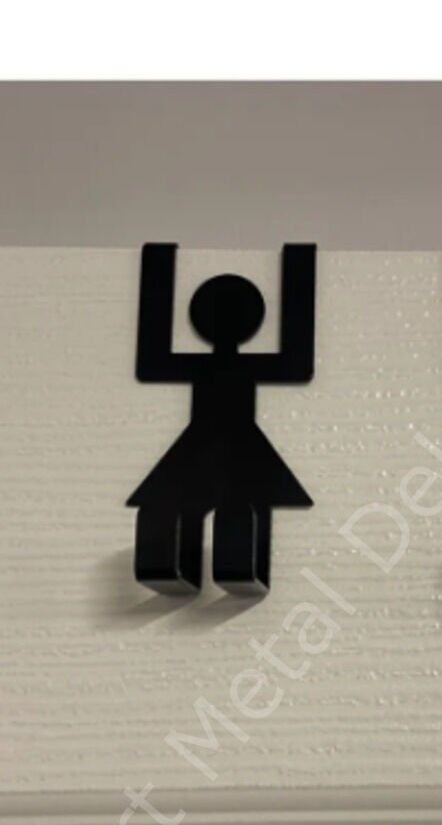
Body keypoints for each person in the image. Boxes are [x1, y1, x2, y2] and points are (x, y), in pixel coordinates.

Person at [127, 243, 315, 595]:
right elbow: (295, 361)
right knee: (206, 499)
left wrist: (299, 266)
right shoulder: (244, 365)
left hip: (219, 440)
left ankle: (234, 567)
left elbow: (154, 359)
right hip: (212, 440)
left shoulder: (205, 364)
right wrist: (298, 267)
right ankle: (185, 566)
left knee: (238, 501)